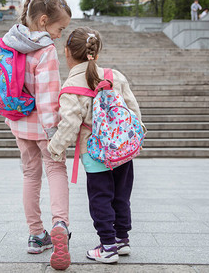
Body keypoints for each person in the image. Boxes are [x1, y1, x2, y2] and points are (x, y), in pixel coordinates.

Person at [47, 27, 146, 264]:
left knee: (100, 197)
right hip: (122, 151)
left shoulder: (71, 86)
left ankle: (107, 245)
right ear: (97, 53)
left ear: (67, 52)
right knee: (122, 196)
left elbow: (70, 124)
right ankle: (122, 239)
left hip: (95, 153)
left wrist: (55, 148)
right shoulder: (115, 76)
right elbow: (133, 111)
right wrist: (137, 135)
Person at [1, 0, 72, 270]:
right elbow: (47, 97)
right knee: (56, 169)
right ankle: (60, 225)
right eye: (59, 28)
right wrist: (55, 133)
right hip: (43, 126)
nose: (59, 35)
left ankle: (35, 235)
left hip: (18, 122)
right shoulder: (46, 51)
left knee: (30, 175)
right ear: (44, 21)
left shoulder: (10, 42)